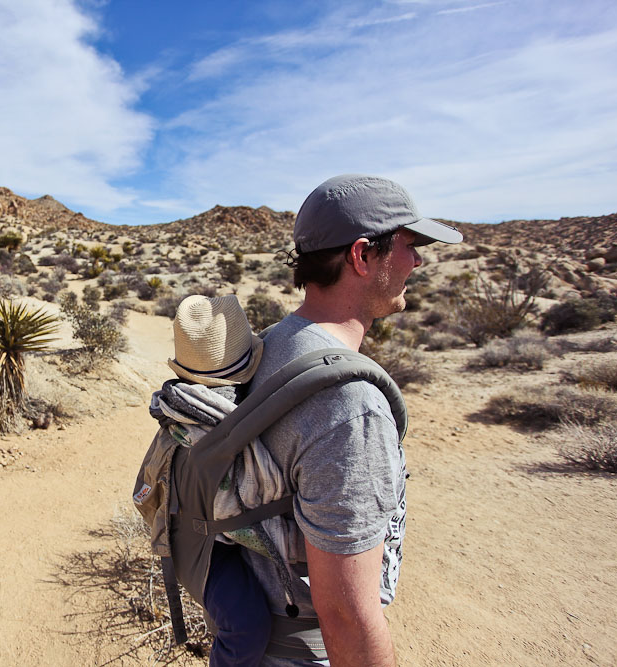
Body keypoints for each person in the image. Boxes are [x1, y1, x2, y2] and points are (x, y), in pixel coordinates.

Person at [242, 174, 463, 666]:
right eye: (409, 245)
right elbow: (346, 614)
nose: (418, 261)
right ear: (362, 256)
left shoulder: (273, 341)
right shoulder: (349, 404)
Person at [154, 293, 285, 667]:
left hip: (199, 532)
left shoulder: (184, 409)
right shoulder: (211, 429)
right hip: (198, 543)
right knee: (246, 628)